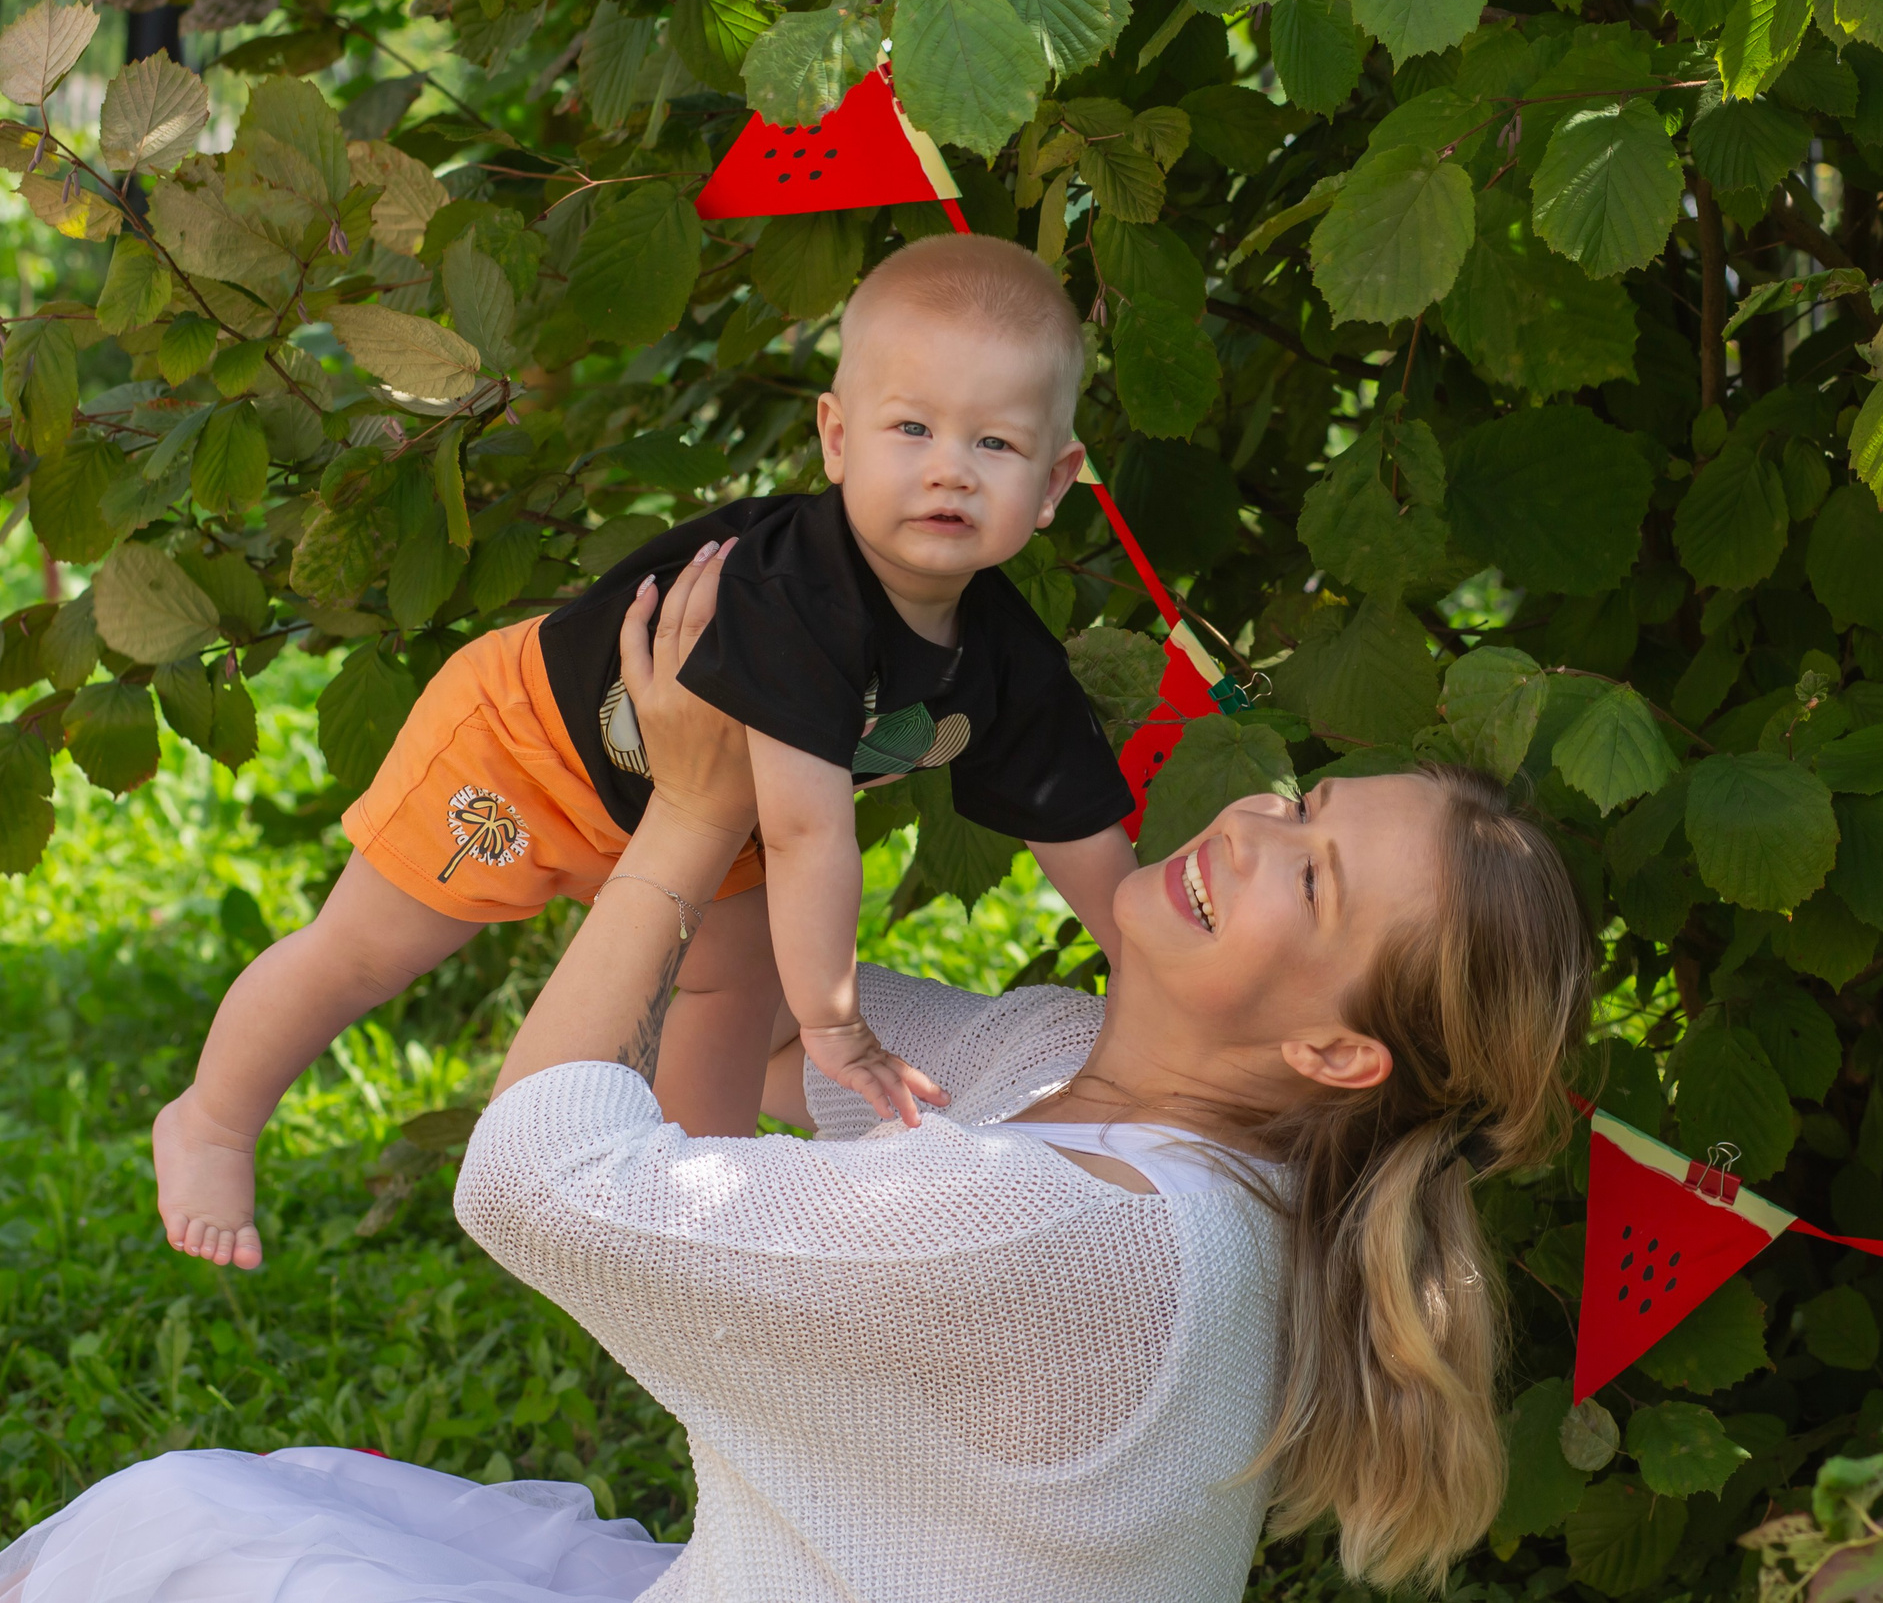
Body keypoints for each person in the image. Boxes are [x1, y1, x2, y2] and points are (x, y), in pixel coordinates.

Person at [11, 544, 1592, 1602]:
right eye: (1301, 804)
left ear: (1335, 1049)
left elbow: (534, 1179)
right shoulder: (1087, 1078)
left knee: (162, 1543)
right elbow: (775, 1025)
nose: (1251, 828)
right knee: (262, 1505)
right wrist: (780, 752)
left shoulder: (1070, 1233)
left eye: (1311, 881)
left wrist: (693, 821)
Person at [154, 233, 1144, 1272]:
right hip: (526, 749)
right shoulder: (798, 589)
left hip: (712, 812)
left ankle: (704, 1204)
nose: (949, 467)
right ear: (838, 438)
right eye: (912, 428)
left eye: (994, 444)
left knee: (727, 989)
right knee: (365, 948)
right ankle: (213, 1118)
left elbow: (1072, 820)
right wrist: (836, 1025)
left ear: (1054, 480)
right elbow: (813, 833)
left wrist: (1144, 970)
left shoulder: (1002, 650)